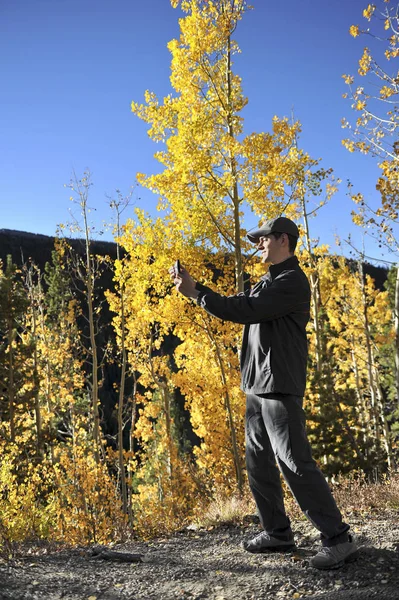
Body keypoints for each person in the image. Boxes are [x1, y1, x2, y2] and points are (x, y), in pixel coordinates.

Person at [170, 216, 359, 570]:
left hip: (279, 384)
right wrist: (197, 289)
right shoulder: (267, 281)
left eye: (263, 238)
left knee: (293, 461)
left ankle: (338, 539)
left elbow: (244, 311)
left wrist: (197, 293)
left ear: (283, 240)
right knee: (258, 461)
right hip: (257, 384)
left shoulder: (291, 282)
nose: (257, 244)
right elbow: (236, 302)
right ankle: (277, 532)